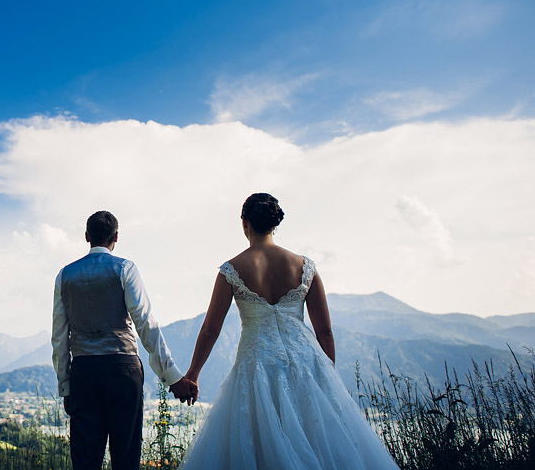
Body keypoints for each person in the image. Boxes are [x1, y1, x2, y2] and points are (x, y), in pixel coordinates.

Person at [179, 193, 400, 469]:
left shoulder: (231, 270)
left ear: (243, 221)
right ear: (275, 223)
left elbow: (211, 329)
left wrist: (193, 374)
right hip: (306, 363)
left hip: (256, 365)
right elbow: (325, 332)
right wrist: (326, 374)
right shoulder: (305, 267)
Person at [52, 210, 198, 470]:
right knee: (126, 453)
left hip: (83, 372)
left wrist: (66, 385)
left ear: (86, 236)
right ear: (116, 237)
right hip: (122, 370)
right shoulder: (124, 269)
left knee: (85, 459)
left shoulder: (65, 276)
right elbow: (146, 323)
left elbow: (59, 338)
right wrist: (173, 377)